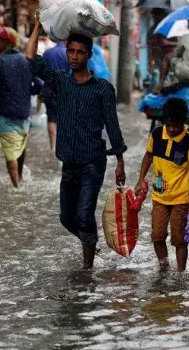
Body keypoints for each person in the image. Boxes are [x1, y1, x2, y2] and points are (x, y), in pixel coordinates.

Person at [26, 18, 127, 270]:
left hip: (93, 161)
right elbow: (30, 58)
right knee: (66, 218)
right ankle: (91, 242)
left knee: (84, 214)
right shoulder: (62, 82)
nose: (74, 56)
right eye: (71, 51)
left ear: (89, 56)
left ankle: (87, 267)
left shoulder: (102, 89)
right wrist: (38, 26)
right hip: (69, 161)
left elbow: (112, 125)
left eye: (80, 52)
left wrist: (120, 161)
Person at [134, 98, 189, 271]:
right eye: (169, 125)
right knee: (157, 236)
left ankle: (180, 273)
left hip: (180, 199)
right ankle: (164, 267)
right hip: (159, 197)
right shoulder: (156, 134)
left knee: (179, 239)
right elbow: (148, 156)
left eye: (176, 125)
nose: (172, 129)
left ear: (183, 122)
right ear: (164, 121)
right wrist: (140, 180)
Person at [0, 27, 42, 187]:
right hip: (25, 114)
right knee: (21, 145)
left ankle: (16, 188)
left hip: (7, 114)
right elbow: (39, 85)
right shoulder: (27, 60)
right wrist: (28, 91)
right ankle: (21, 177)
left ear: (8, 43)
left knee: (10, 153)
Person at [41, 41, 70, 153]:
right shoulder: (68, 53)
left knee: (51, 118)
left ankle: (53, 147)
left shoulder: (47, 52)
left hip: (49, 89)